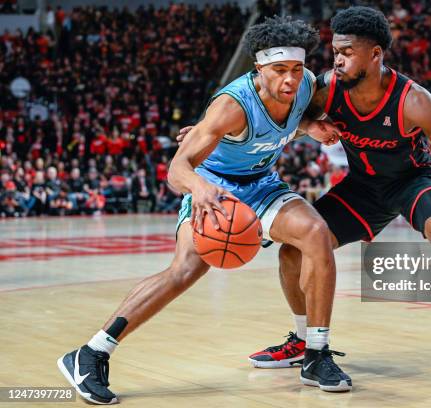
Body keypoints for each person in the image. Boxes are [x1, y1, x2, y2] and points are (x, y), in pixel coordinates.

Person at [244, 7, 431, 388]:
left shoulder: (413, 100)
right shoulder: (326, 88)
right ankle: (304, 343)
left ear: (375, 54)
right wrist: (219, 129)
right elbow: (278, 118)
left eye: (348, 51)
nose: (338, 58)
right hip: (363, 187)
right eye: (336, 50)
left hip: (412, 181)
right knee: (293, 249)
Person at [57, 16, 350, 405]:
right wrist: (199, 187)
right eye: (279, 70)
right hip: (216, 186)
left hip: (261, 183)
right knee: (186, 270)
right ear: (259, 69)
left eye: (296, 69)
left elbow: (298, 118)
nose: (290, 80)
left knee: (314, 233)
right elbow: (176, 169)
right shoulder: (231, 105)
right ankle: (91, 352)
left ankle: (314, 352)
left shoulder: (306, 86)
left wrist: (310, 126)